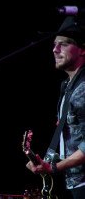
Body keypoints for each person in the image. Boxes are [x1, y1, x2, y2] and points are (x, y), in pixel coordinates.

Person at [26, 15, 85, 199]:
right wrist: (45, 162)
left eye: (64, 44)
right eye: (54, 44)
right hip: (73, 183)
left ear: (82, 49)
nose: (55, 49)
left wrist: (54, 167)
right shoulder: (67, 86)